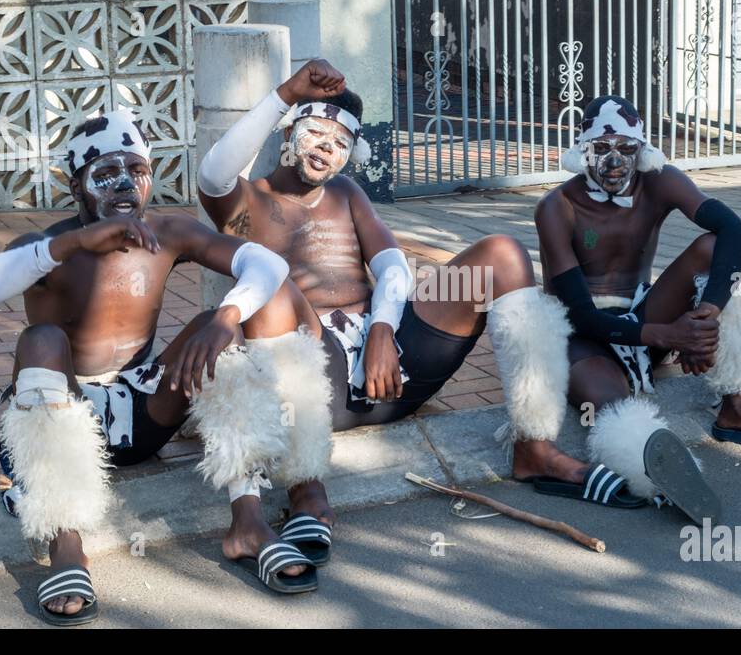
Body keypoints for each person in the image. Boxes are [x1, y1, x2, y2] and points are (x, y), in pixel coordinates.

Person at [197, 60, 649, 510]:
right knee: (278, 293)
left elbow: (393, 266)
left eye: (340, 143)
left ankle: (534, 446)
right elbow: (214, 172)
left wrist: (383, 330)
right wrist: (287, 92)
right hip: (319, 385)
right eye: (314, 131)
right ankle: (305, 487)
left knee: (502, 254)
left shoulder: (346, 194)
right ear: (288, 129)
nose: (324, 148)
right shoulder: (245, 203)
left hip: (394, 369)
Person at [0, 109, 331, 621]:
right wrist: (71, 245)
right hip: (70, 415)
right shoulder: (48, 248)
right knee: (41, 339)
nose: (122, 184)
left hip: (145, 407)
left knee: (214, 330)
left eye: (134, 170)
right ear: (77, 188)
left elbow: (268, 266)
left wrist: (227, 316)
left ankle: (247, 522)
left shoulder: (168, 232)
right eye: (105, 174)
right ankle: (66, 546)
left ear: (151, 176)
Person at [534, 94, 741, 520]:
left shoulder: (660, 180)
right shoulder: (556, 207)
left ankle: (737, 408)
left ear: (642, 150)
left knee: (717, 254)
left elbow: (739, 235)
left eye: (626, 148)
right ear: (583, 149)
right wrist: (668, 336)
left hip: (645, 317)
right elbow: (579, 314)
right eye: (602, 149)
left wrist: (707, 315)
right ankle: (649, 464)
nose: (615, 161)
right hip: (584, 334)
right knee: (613, 404)